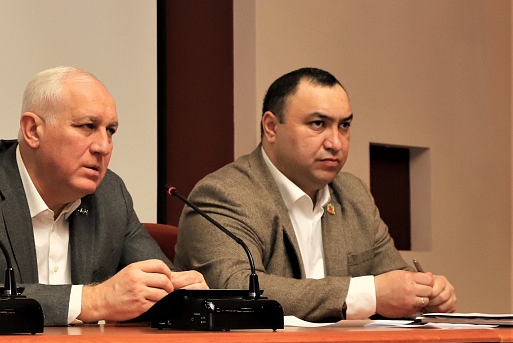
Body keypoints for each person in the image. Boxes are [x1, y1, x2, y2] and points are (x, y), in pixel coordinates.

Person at [0, 66, 206, 325]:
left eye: (111, 131)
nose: (103, 146)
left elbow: (159, 282)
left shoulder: (110, 194)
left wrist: (182, 294)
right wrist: (92, 301)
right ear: (32, 130)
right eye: (87, 126)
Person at [175, 67, 457, 321]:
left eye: (344, 126)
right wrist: (368, 294)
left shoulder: (353, 193)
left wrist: (425, 293)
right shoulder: (223, 195)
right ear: (271, 127)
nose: (336, 143)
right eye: (318, 124)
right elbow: (237, 291)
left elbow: (391, 278)